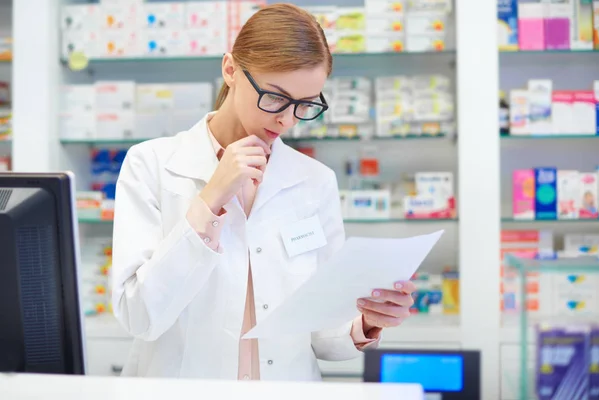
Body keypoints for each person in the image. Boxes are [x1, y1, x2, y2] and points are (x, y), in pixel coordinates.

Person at [111, 3, 416, 381]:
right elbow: (138, 315)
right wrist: (211, 200)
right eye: (275, 97)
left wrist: (366, 321)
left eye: (305, 105)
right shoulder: (151, 164)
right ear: (230, 70)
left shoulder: (314, 181)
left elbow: (322, 334)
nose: (287, 119)